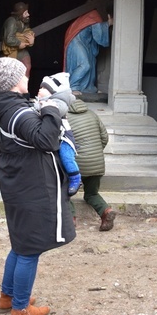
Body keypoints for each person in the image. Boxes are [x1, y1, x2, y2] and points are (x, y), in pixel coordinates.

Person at [0, 52, 75, 315]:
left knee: (21, 245)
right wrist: (53, 108)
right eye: (24, 74)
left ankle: (8, 297)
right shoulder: (17, 113)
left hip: (19, 182)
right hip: (29, 186)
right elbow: (46, 140)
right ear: (13, 81)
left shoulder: (7, 107)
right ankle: (20, 308)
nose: (27, 77)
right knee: (29, 248)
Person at [67, 98, 116, 231]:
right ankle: (106, 211)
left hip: (75, 164)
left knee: (64, 193)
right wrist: (96, 153)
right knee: (91, 194)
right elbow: (104, 138)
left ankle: (70, 220)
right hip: (97, 164)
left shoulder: (64, 117)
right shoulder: (92, 114)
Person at [35, 72, 82, 197]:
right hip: (54, 137)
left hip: (64, 138)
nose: (40, 90)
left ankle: (75, 177)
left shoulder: (59, 102)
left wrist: (43, 106)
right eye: (41, 87)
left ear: (54, 92)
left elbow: (56, 110)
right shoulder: (42, 101)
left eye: (44, 88)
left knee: (66, 156)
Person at [63, 9, 113, 94]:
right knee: (85, 65)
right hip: (77, 41)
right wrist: (108, 23)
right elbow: (98, 35)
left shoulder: (91, 14)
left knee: (91, 63)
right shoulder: (94, 15)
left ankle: (88, 88)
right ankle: (73, 87)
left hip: (84, 42)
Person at [2, 2, 35, 77]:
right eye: (26, 13)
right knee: (12, 71)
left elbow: (27, 32)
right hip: (11, 50)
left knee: (27, 67)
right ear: (20, 13)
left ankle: (24, 86)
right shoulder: (11, 21)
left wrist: (31, 40)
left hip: (22, 50)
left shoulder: (24, 21)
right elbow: (9, 38)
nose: (28, 14)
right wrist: (19, 43)